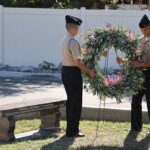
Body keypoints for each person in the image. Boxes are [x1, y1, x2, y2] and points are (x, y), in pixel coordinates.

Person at [61, 15, 95, 137]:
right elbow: (78, 62)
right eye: (77, 28)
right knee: (75, 102)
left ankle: (70, 129)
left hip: (65, 71)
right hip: (73, 72)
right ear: (72, 28)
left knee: (71, 101)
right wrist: (89, 71)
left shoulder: (65, 39)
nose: (78, 30)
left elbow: (78, 54)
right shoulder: (73, 42)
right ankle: (73, 131)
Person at [131, 14, 150, 133]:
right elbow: (135, 57)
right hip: (140, 74)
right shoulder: (139, 40)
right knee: (135, 100)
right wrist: (123, 60)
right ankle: (136, 127)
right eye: (142, 30)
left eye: (146, 28)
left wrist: (141, 64)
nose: (144, 31)